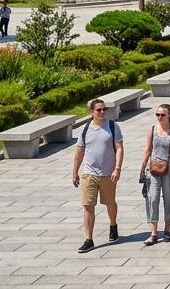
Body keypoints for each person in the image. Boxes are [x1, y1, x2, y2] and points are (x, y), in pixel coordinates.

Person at [71, 99, 124, 253]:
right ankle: (89, 239)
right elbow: (79, 152)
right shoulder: (85, 129)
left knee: (110, 203)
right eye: (99, 110)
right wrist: (75, 172)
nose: (102, 112)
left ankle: (113, 224)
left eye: (104, 109)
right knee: (88, 205)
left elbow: (119, 148)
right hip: (89, 173)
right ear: (91, 112)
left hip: (108, 173)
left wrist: (117, 168)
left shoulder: (113, 127)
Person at [140, 103, 170, 246]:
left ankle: (167, 230)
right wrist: (142, 168)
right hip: (153, 166)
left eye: (162, 115)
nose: (159, 117)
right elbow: (147, 150)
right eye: (157, 114)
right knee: (152, 198)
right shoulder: (152, 130)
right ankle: (153, 233)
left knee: (169, 198)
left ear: (169, 115)